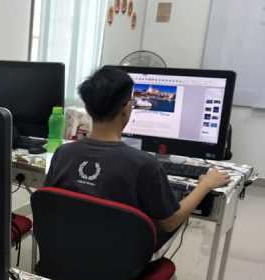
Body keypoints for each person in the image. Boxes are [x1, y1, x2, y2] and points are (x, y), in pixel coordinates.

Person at [44, 66, 230, 249]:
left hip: (64, 252)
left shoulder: (63, 154)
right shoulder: (145, 165)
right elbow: (170, 222)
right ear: (126, 108)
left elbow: (48, 203)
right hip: (121, 261)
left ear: (87, 107)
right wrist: (205, 185)